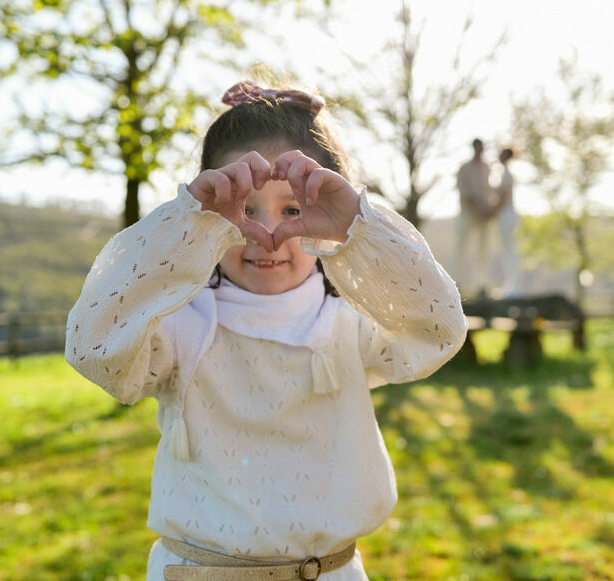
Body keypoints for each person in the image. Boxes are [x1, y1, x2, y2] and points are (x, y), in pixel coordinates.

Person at [65, 80, 468, 581]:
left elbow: (440, 330)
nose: (268, 235)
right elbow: (92, 348)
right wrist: (180, 226)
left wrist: (360, 227)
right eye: (243, 210)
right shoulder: (179, 326)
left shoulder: (348, 324)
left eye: (293, 210)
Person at [453, 138, 493, 296]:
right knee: (461, 249)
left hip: (483, 216)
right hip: (467, 214)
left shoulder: (486, 168)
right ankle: (456, 283)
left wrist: (488, 210)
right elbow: (465, 193)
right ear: (474, 148)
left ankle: (481, 285)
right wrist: (478, 209)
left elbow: (488, 191)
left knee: (483, 251)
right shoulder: (464, 169)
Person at [493, 147, 519, 296]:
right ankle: (510, 282)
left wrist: (489, 211)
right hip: (505, 215)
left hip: (506, 215)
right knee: (507, 249)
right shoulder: (505, 173)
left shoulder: (506, 175)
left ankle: (512, 284)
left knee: (509, 249)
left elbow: (502, 200)